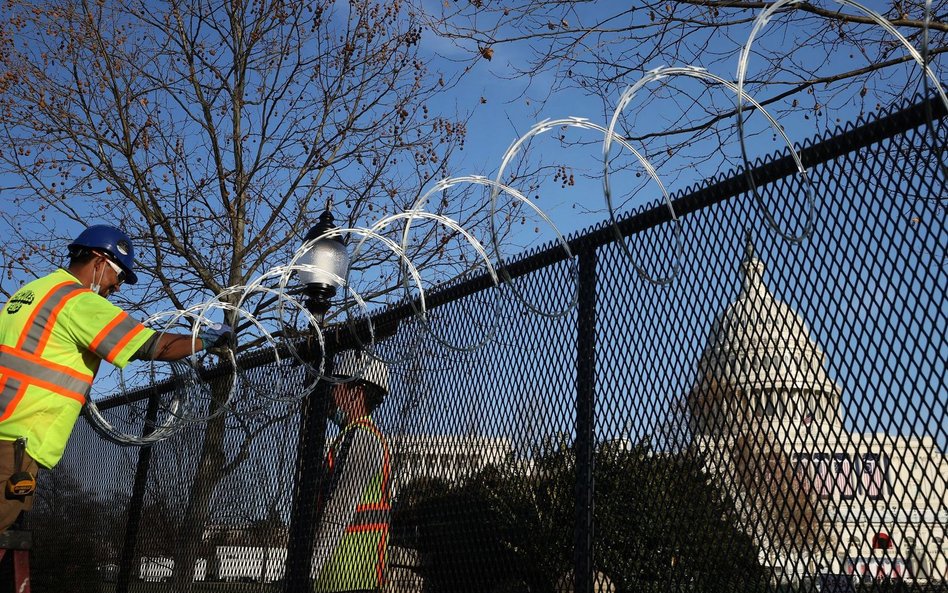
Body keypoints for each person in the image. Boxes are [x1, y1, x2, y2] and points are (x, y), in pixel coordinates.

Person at [0, 224, 231, 532]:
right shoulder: (79, 302)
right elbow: (155, 346)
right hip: (15, 441)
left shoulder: (32, 292)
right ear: (98, 262)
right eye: (119, 275)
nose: (118, 287)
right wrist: (206, 339)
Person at [313, 350, 391, 593]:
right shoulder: (355, 433)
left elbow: (340, 508)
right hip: (350, 575)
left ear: (356, 392)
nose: (333, 394)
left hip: (346, 573)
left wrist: (310, 568)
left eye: (338, 386)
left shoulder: (361, 439)